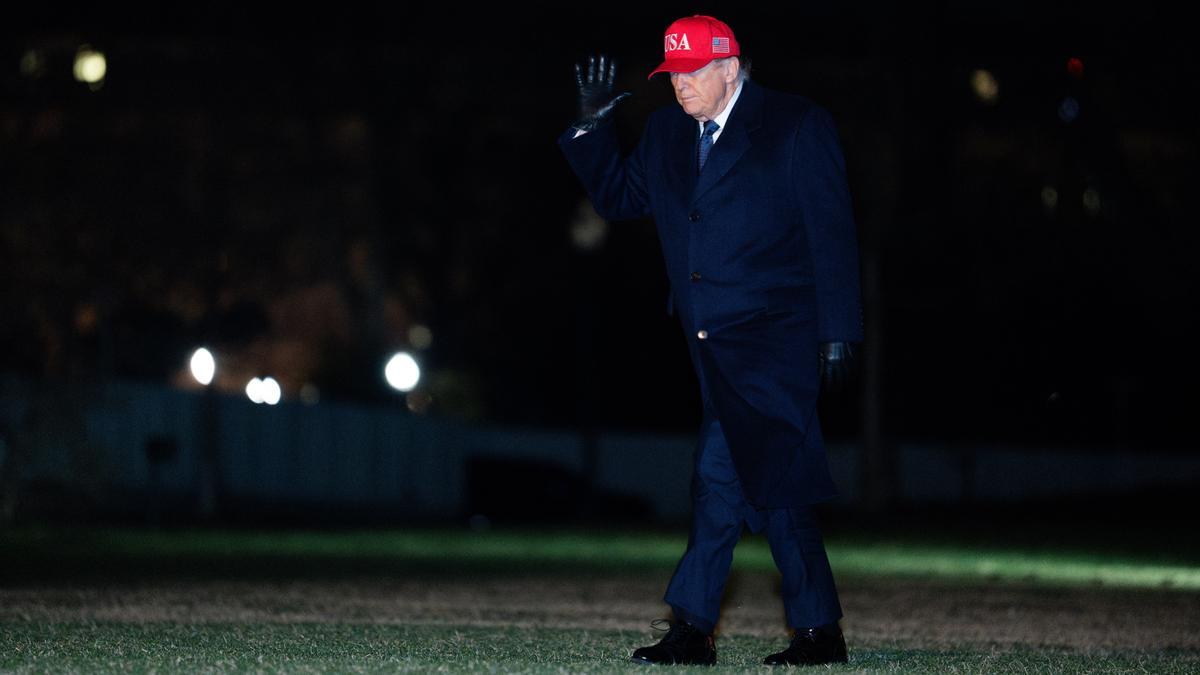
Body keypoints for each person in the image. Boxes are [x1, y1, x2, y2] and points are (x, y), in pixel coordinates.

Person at [557, 14, 864, 668]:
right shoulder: (668, 131)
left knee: (717, 476)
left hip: (777, 341)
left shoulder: (794, 124)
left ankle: (692, 629)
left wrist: (839, 330)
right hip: (709, 345)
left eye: (694, 71)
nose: (681, 86)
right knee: (775, 486)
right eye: (672, 73)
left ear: (731, 68)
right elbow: (617, 197)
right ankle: (819, 630)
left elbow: (831, 232)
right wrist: (592, 126)